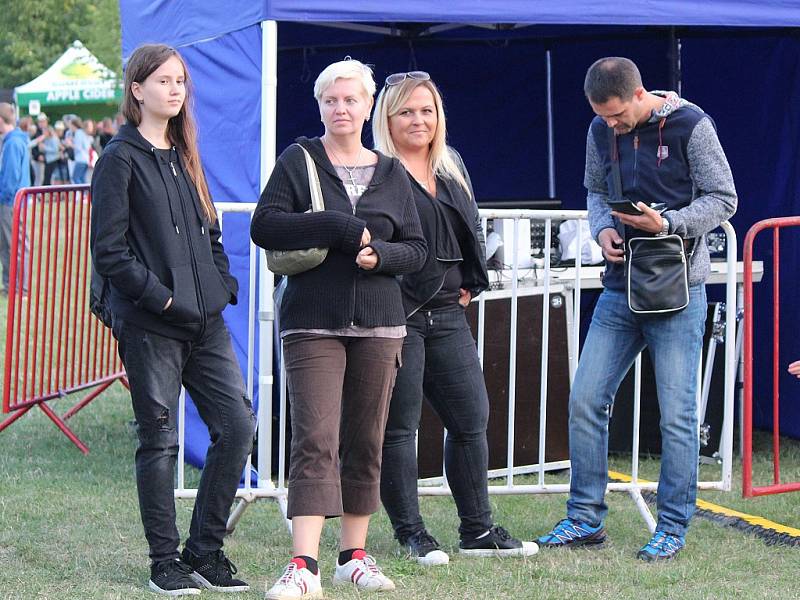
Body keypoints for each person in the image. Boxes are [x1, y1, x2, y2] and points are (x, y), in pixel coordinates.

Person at [537, 57, 737, 561]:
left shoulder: (693, 124)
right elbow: (597, 190)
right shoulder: (597, 130)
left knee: (677, 417)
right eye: (603, 116)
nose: (612, 125)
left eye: (619, 116)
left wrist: (667, 224)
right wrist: (602, 228)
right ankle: (584, 519)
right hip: (619, 286)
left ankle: (672, 526)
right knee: (584, 400)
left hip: (678, 290)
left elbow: (724, 198)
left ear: (641, 93)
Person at [251, 57, 426, 599]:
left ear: (369, 106)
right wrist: (337, 227)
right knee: (314, 438)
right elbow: (265, 225)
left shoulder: (394, 173)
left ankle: (354, 556)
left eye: (351, 99)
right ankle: (303, 565)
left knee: (365, 440)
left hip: (380, 324)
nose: (341, 108)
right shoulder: (298, 158)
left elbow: (418, 251)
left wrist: (381, 256)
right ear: (320, 106)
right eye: (331, 100)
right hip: (312, 321)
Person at [90, 44, 254, 596]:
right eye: (164, 80)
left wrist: (221, 285)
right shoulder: (119, 157)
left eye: (180, 80)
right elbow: (110, 253)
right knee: (158, 440)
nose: (175, 88)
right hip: (150, 323)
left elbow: (210, 228)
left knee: (237, 427)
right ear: (137, 89)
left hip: (205, 321)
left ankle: (205, 551)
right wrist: (160, 300)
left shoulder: (185, 154)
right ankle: (165, 562)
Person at [372, 72, 538, 565]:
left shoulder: (450, 166)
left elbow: (468, 228)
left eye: (426, 110)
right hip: (394, 315)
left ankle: (478, 530)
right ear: (387, 118)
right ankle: (412, 533)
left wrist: (472, 279)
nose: (418, 120)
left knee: (471, 418)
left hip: (447, 311)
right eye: (406, 111)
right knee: (399, 429)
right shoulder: (376, 171)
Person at [0, 103, 31, 296]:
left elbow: (11, 177)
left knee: (15, 246)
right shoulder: (14, 140)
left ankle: (20, 287)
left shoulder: (12, 143)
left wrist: (5, 198)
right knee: (7, 244)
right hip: (12, 201)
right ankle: (10, 285)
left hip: (12, 202)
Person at [67, 117, 91, 183]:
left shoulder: (78, 133)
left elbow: (78, 148)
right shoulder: (82, 133)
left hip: (80, 159)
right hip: (85, 159)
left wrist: (70, 144)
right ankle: (87, 193)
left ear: (74, 125)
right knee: (82, 178)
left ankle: (83, 193)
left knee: (75, 177)